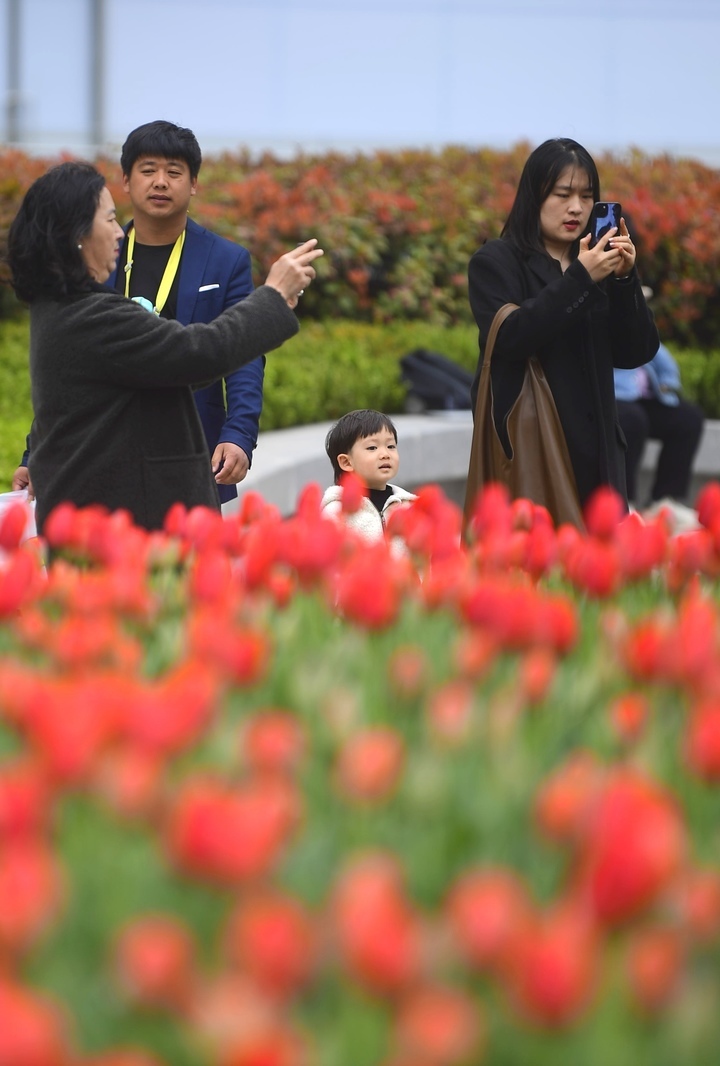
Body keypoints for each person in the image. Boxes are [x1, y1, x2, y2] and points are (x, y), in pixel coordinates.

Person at [6, 160, 322, 534]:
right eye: (108, 220)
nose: (118, 233)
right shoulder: (91, 316)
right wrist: (273, 295)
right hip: (125, 531)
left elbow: (165, 370)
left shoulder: (61, 309)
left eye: (174, 172)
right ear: (76, 235)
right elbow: (198, 353)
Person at [13, 119, 263, 505]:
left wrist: (239, 434)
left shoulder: (226, 260)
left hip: (190, 452)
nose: (160, 182)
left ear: (194, 183)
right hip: (104, 456)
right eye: (148, 170)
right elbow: (69, 368)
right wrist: (36, 453)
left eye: (174, 172)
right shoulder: (97, 256)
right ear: (126, 180)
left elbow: (242, 355)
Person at [467, 137, 659, 512]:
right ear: (533, 196)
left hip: (599, 461)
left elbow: (636, 351)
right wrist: (581, 279)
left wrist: (623, 280)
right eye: (562, 194)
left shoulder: (597, 261)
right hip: (532, 455)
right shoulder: (497, 261)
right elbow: (511, 337)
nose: (576, 208)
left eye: (587, 196)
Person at [614, 340, 704, 523]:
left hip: (644, 398)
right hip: (613, 395)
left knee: (688, 419)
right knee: (633, 420)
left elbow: (657, 351)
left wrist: (667, 381)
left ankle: (665, 500)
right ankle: (624, 502)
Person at [322, 409, 417, 546]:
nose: (385, 454)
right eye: (372, 448)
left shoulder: (409, 507)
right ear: (346, 462)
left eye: (391, 446)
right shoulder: (336, 512)